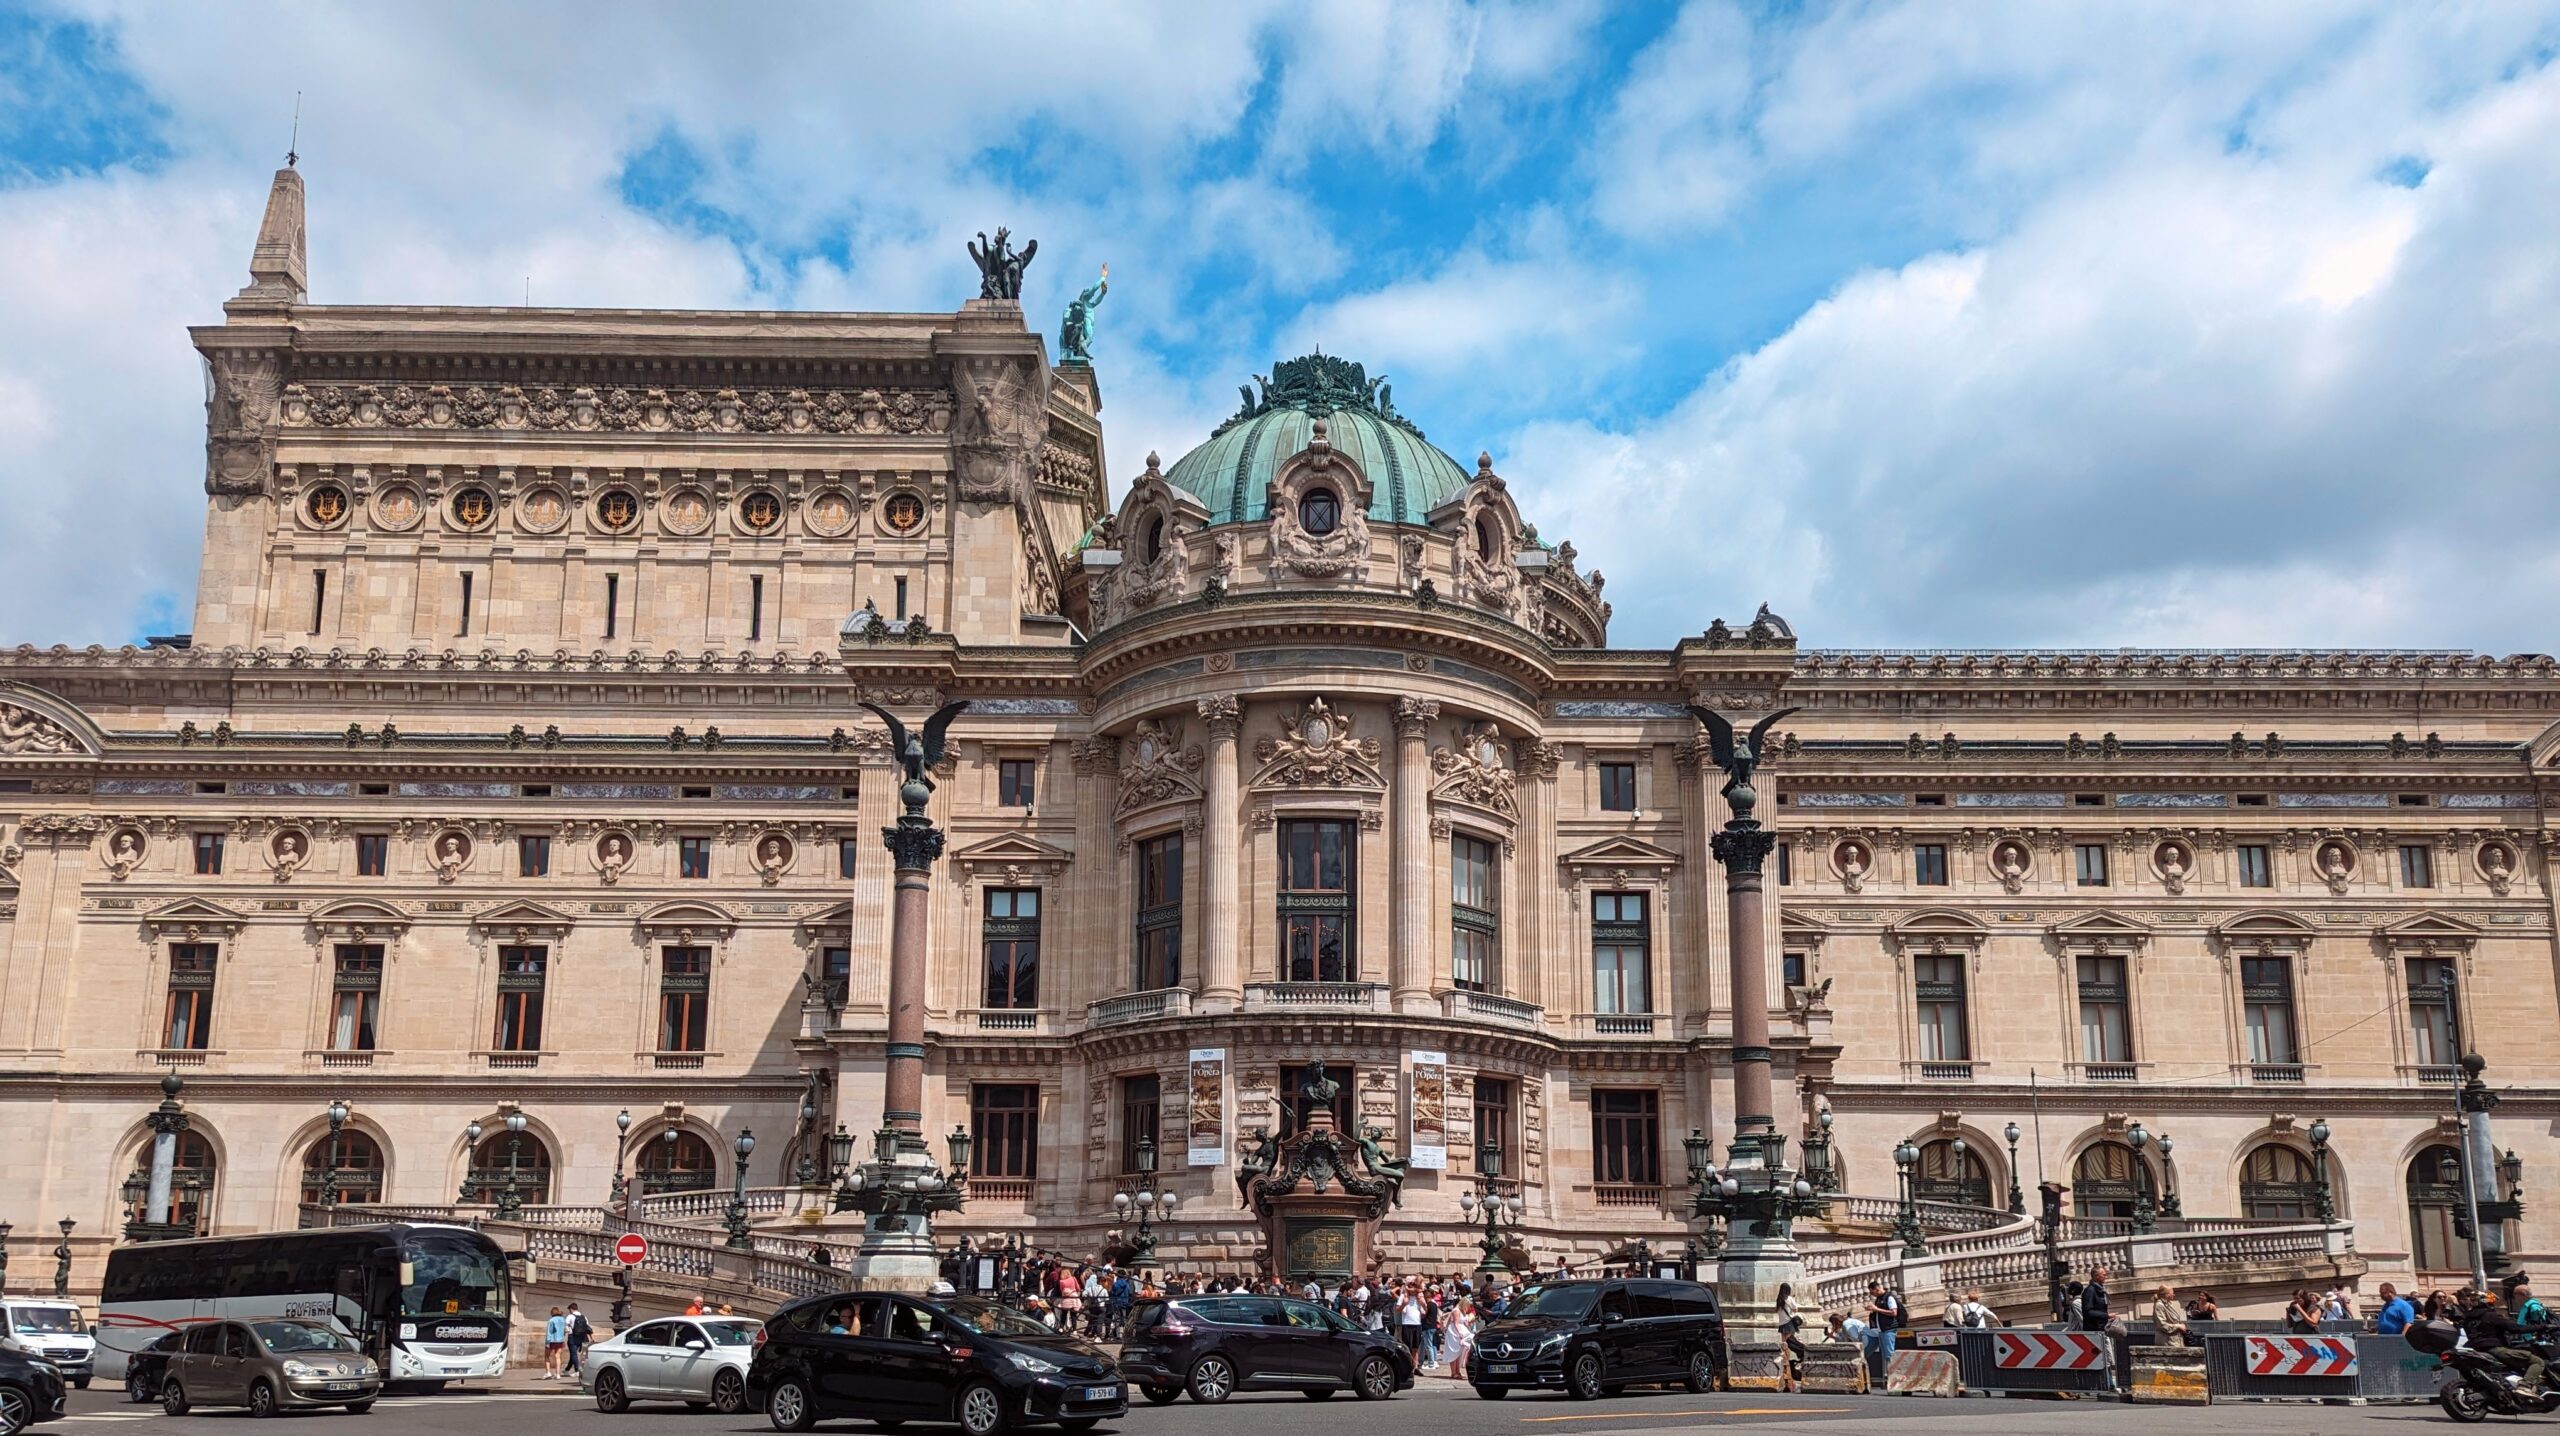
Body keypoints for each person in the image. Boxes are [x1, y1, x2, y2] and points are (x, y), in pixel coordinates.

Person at [2463, 1287, 2548, 1393]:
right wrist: (2539, 1327)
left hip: (2476, 1350)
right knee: (2538, 1362)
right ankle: (2525, 1386)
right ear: (2487, 1302)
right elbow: (2515, 1328)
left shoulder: (2467, 1319)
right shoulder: (2491, 1315)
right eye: (2492, 1302)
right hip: (2495, 1350)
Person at [1862, 1280, 1901, 1380]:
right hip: (1882, 1330)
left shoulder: (1889, 1297)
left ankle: (1894, 1375)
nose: (1872, 1295)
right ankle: (1889, 1374)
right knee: (1885, 1354)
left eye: (1872, 1292)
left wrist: (1876, 1309)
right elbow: (1879, 1312)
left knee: (1889, 1353)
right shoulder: (1879, 1299)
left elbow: (1894, 1312)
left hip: (1888, 1329)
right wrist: (1872, 1310)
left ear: (1877, 1289)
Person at [1775, 1283, 1806, 1392]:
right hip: (1789, 1323)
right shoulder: (1788, 1298)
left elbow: (1777, 1310)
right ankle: (1789, 1361)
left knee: (1784, 1343)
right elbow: (1795, 1309)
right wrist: (1792, 1301)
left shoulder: (1779, 1299)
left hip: (1782, 1323)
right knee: (1789, 1342)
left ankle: (1784, 1360)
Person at [1443, 1296, 1479, 1383]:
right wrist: (1459, 1333)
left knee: (1459, 1352)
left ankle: (1458, 1371)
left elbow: (1463, 1322)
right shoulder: (1456, 1310)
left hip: (1460, 1330)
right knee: (1453, 1352)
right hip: (1454, 1332)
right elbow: (1455, 1323)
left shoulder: (1462, 1311)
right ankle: (1453, 1372)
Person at [1397, 1284, 1425, 1361]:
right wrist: (1404, 1304)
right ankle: (1408, 1364)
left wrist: (1424, 1305)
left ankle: (1415, 1366)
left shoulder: (1419, 1297)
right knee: (1407, 1347)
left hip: (1417, 1324)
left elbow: (1425, 1312)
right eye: (1411, 1288)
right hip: (1407, 1324)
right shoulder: (1403, 1296)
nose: (1413, 1290)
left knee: (1416, 1348)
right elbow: (1397, 1309)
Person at [565, 1302, 592, 1377]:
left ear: (571, 1309)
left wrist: (566, 1332)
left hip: (573, 1337)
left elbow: (566, 1328)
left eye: (569, 1310)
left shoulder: (570, 1316)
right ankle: (567, 1369)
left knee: (573, 1354)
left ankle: (577, 1370)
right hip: (582, 1337)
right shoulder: (584, 1317)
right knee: (574, 1354)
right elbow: (587, 1327)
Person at [543, 1306, 567, 1379]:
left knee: (547, 1356)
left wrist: (547, 1342)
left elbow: (549, 1332)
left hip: (552, 1340)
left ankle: (548, 1372)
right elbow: (565, 1330)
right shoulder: (563, 1320)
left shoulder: (551, 1320)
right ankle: (558, 1374)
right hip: (560, 1340)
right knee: (558, 1356)